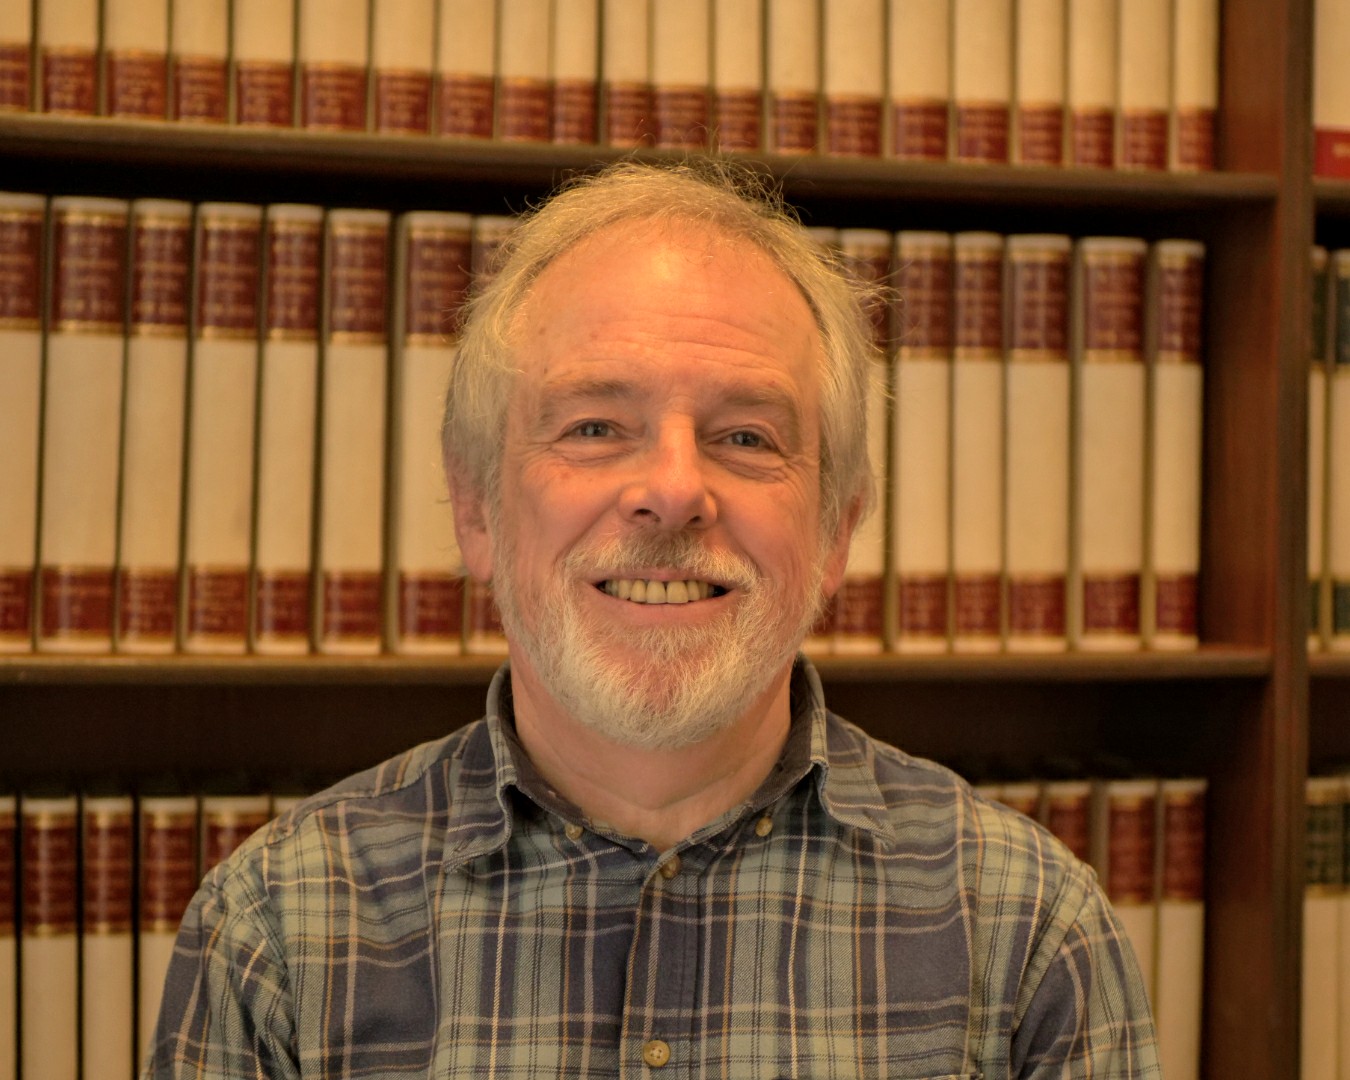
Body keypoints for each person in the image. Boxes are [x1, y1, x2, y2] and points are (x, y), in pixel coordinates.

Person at [143, 161, 1159, 1079]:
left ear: (838, 532)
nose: (674, 492)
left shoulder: (1028, 934)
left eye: (746, 436)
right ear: (474, 511)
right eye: (594, 427)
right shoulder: (277, 933)